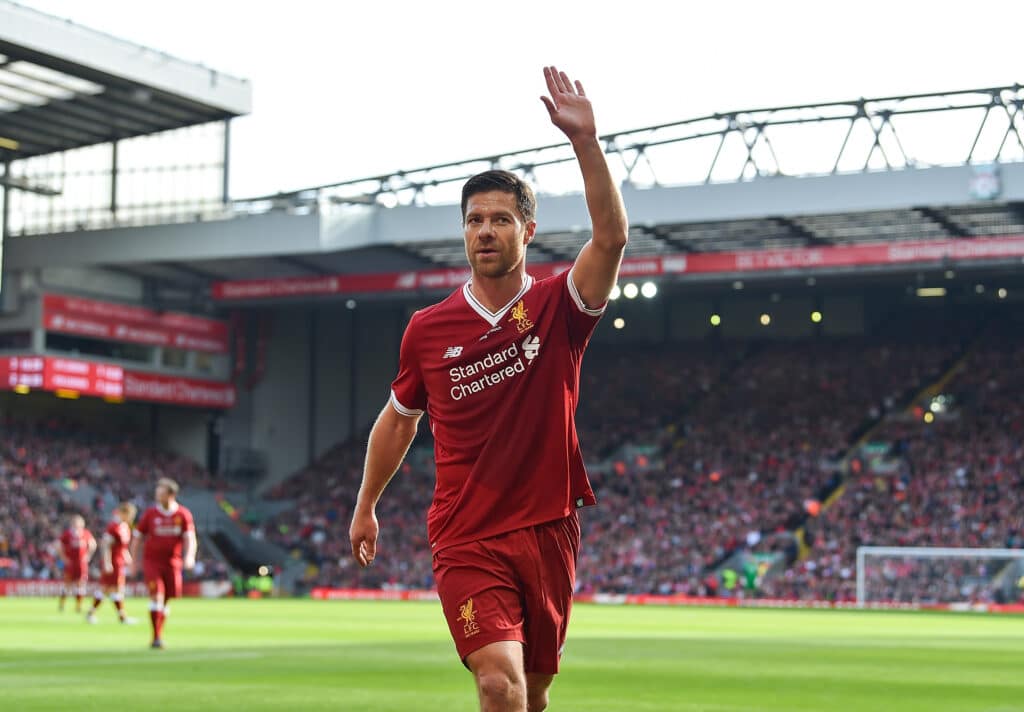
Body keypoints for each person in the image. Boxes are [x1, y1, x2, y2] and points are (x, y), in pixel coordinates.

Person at [350, 66, 627, 712]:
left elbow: (611, 239)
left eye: (501, 219)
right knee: (498, 682)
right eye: (475, 220)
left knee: (532, 694)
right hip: (466, 533)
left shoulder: (562, 307)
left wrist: (586, 142)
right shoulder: (428, 329)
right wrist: (366, 503)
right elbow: (398, 421)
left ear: (527, 233)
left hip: (549, 527)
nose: (485, 231)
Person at [130, 478, 196, 649]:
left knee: (166, 600)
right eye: (157, 491)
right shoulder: (150, 514)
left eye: (161, 492)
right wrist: (133, 560)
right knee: (156, 596)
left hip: (173, 563)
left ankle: (158, 634)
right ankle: (156, 636)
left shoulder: (183, 514)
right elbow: (137, 538)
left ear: (171, 494)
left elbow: (190, 538)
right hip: (152, 562)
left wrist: (189, 556)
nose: (157, 495)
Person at [86, 502, 138, 624]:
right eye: (130, 515)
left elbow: (123, 547)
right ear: (123, 513)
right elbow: (106, 545)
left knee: (109, 589)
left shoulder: (125, 527)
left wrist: (128, 558)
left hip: (120, 562)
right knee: (112, 588)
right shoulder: (113, 527)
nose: (131, 518)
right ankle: (122, 617)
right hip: (113, 562)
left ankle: (91, 613)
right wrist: (107, 562)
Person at [58, 514, 96, 613]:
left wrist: (88, 556)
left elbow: (93, 544)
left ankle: (78, 606)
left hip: (81, 564)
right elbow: (59, 546)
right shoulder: (67, 534)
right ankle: (62, 604)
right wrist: (64, 558)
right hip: (71, 564)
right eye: (75, 523)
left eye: (79, 523)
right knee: (67, 585)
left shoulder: (85, 533)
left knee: (81, 585)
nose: (77, 525)